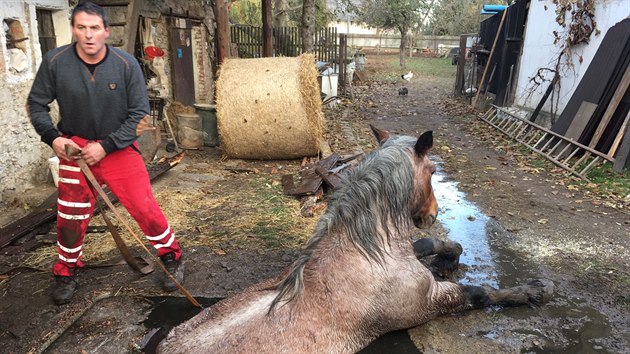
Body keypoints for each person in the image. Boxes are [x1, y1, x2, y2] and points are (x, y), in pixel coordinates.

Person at [27, 1, 184, 305]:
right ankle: (66, 270)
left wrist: (107, 146)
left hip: (118, 148)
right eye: (81, 27)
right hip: (73, 149)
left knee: (144, 207)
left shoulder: (125, 65)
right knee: (70, 216)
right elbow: (36, 105)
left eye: (95, 28)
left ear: (106, 32)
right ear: (73, 29)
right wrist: (53, 138)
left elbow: (140, 115)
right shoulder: (55, 61)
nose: (88, 35)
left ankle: (172, 256)